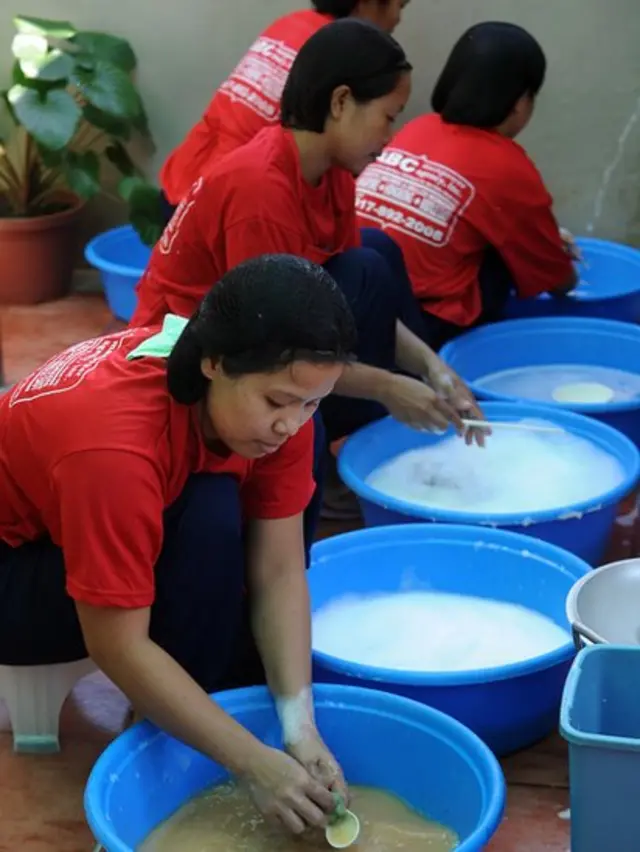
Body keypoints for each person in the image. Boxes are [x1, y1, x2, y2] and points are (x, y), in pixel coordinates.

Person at [0, 254, 358, 836]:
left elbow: (279, 572)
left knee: (226, 508)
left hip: (70, 527)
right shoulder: (115, 452)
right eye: (277, 403)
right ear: (214, 363)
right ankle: (174, 724)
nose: (290, 424)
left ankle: (208, 700)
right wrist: (251, 761)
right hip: (13, 572)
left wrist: (299, 725)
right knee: (209, 515)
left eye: (312, 402)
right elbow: (117, 644)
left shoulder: (276, 397)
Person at [133, 19, 484, 452]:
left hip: (268, 328)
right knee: (364, 272)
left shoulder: (329, 171)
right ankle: (325, 451)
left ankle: (354, 431)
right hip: (190, 349)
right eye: (387, 118)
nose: (390, 138)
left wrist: (433, 370)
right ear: (341, 102)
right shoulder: (261, 192)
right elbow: (270, 347)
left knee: (373, 257)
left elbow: (354, 302)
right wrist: (388, 387)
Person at [355, 21, 579, 350]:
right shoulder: (508, 167)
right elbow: (560, 280)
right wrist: (561, 260)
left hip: (354, 303)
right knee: (502, 261)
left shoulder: (419, 128)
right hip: (421, 322)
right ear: (520, 102)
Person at [160, 0, 410, 210]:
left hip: (181, 183)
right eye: (401, 5)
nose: (398, 19)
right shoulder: (343, 55)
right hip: (223, 205)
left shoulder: (293, 22)